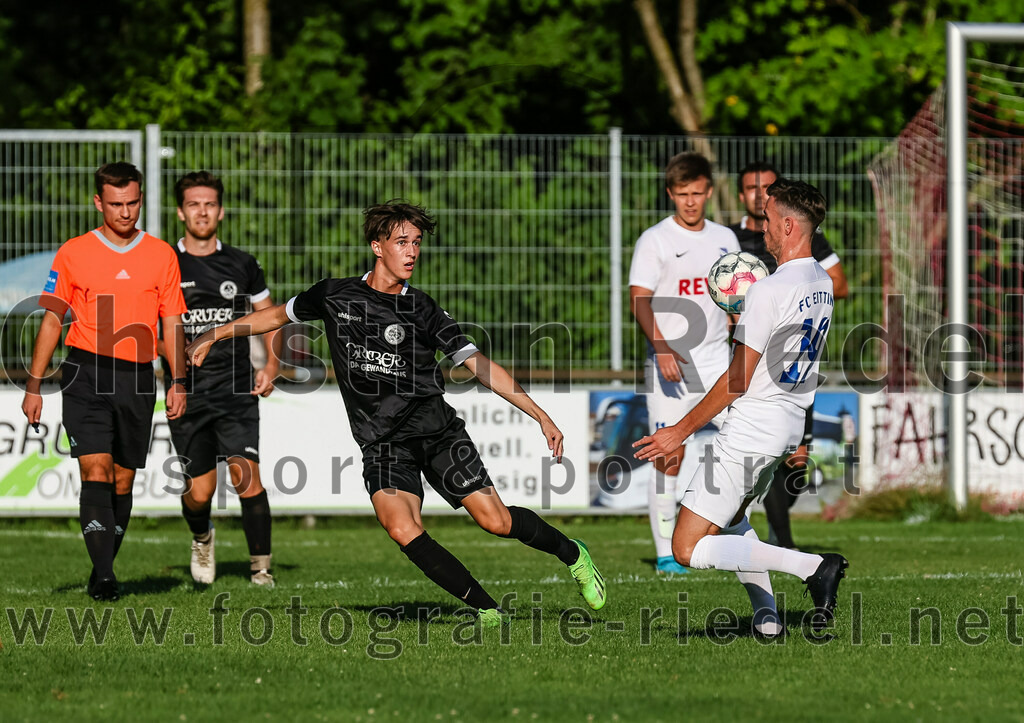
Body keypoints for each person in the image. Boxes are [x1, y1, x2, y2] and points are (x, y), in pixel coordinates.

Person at [185, 200, 605, 626]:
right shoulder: (334, 295)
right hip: (382, 445)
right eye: (401, 241)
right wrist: (214, 334)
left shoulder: (423, 308)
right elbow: (275, 315)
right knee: (402, 527)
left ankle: (573, 552)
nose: (411, 251)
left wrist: (540, 414)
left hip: (437, 435)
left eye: (417, 243)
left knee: (495, 522)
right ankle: (487, 611)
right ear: (377, 246)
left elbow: (478, 364)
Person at [634, 178, 849, 635]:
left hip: (752, 428)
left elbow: (736, 379)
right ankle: (768, 622)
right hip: (786, 424)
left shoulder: (770, 290)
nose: (762, 230)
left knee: (687, 548)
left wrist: (679, 431)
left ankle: (814, 567)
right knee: (733, 522)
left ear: (789, 226)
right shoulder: (820, 282)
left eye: (768, 222)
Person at [21, 162, 188, 601]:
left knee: (121, 480)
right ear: (99, 202)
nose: (126, 212)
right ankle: (107, 578)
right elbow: (52, 320)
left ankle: (101, 569)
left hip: (136, 377)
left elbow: (172, 325)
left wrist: (178, 380)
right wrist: (34, 385)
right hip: (85, 372)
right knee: (94, 469)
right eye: (116, 204)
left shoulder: (161, 255)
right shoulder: (74, 252)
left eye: (133, 202)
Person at [164, 171, 281, 586]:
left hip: (236, 390)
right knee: (200, 493)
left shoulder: (243, 263)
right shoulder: (165, 263)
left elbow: (272, 315)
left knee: (247, 477)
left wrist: (272, 364)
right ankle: (202, 536)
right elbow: (158, 329)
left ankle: (261, 569)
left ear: (221, 211)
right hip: (189, 393)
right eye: (193, 204)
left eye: (209, 204)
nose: (202, 211)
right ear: (180, 211)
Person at [628, 151, 739, 575]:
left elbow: (732, 294)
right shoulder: (655, 239)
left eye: (697, 193)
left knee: (740, 444)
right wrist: (660, 347)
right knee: (667, 455)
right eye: (681, 194)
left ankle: (723, 532)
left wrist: (738, 321)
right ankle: (664, 554)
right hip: (670, 365)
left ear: (708, 191)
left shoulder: (725, 238)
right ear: (671, 194)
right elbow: (639, 297)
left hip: (717, 361)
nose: (690, 202)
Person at [729, 161, 850, 549]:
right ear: (740, 194)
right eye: (752, 188)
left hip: (792, 362)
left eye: (766, 188)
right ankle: (783, 542)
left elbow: (838, 283)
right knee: (757, 463)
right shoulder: (728, 241)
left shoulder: (802, 243)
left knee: (796, 461)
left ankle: (774, 539)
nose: (759, 194)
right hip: (751, 364)